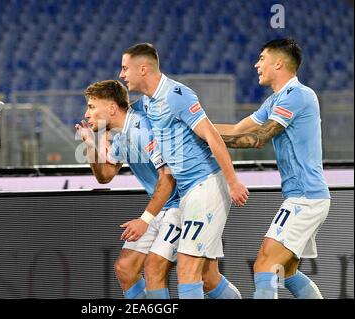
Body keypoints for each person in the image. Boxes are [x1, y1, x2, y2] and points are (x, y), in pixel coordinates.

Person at [119, 43, 249, 299]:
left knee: (187, 270)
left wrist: (233, 182)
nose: (122, 74)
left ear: (142, 69)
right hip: (189, 192)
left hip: (207, 185)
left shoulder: (176, 94)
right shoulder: (147, 103)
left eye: (125, 68)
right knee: (207, 277)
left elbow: (212, 136)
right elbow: (124, 118)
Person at [215, 38, 330, 299]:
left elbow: (258, 139)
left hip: (306, 198)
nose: (256, 64)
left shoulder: (298, 95)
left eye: (261, 58)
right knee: (285, 272)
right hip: (304, 197)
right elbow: (236, 130)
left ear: (278, 62)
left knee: (265, 265)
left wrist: (205, 138)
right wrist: (195, 127)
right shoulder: (275, 101)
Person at [75, 80, 182, 299]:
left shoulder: (142, 129)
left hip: (182, 204)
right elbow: (105, 176)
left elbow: (169, 178)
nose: (87, 113)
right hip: (162, 206)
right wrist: (90, 145)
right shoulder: (121, 134)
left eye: (92, 107)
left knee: (160, 271)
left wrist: (144, 220)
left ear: (112, 108)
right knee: (125, 269)